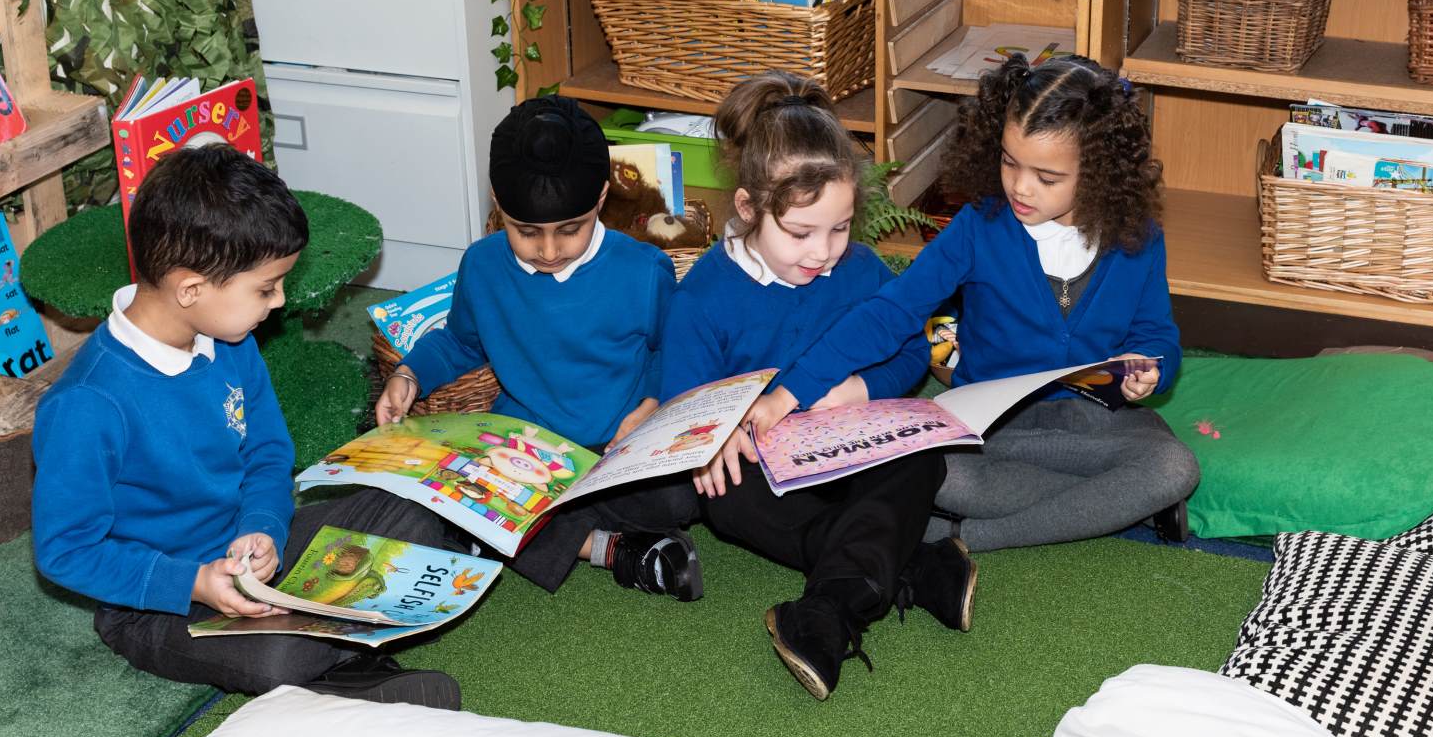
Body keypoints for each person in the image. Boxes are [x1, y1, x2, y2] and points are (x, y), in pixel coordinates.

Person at [32, 145, 460, 705]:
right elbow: (65, 549)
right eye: (265, 288)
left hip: (250, 555)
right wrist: (192, 582)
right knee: (279, 657)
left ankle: (336, 658)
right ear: (191, 289)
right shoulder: (87, 405)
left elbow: (267, 453)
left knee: (416, 507)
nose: (278, 302)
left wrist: (264, 526)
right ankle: (350, 672)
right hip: (160, 602)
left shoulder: (227, 339)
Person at [774, 54, 1196, 554]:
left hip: (1094, 424)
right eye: (1009, 161)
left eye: (1047, 177)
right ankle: (1121, 503)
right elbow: (890, 312)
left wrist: (1151, 368)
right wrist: (793, 389)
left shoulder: (1137, 239)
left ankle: (960, 537)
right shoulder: (979, 227)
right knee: (937, 472)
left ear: (1099, 172)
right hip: (991, 427)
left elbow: (1156, 334)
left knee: (1175, 466)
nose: (1020, 186)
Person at [660, 72, 971, 700]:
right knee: (724, 495)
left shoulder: (859, 269)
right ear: (748, 208)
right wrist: (712, 441)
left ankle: (829, 609)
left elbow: (911, 351)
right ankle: (906, 567)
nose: (823, 252)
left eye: (840, 227)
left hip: (849, 451)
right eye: (800, 233)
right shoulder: (704, 297)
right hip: (769, 473)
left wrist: (862, 389)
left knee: (921, 458)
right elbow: (681, 403)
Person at [374, 96, 697, 601]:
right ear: (498, 206)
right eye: (526, 232)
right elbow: (460, 341)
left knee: (679, 501)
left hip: (617, 446)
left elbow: (670, 351)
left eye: (570, 230)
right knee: (458, 493)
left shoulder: (642, 270)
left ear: (602, 198)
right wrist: (408, 375)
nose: (548, 251)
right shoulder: (482, 266)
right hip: (522, 448)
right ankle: (610, 550)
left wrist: (652, 404)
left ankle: (511, 530)